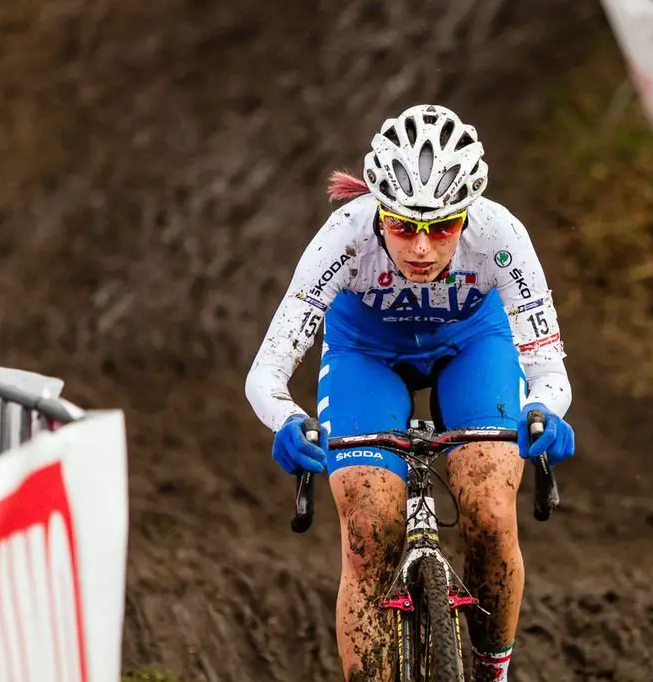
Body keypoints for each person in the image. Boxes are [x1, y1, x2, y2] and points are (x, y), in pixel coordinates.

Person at [246, 103, 575, 682]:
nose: (422, 249)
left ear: (468, 214)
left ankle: (492, 670)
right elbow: (268, 372)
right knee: (369, 530)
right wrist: (286, 420)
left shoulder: (501, 235)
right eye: (403, 227)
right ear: (378, 211)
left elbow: (548, 367)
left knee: (493, 511)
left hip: (473, 345)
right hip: (365, 354)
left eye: (443, 227)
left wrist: (545, 408)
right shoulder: (342, 238)